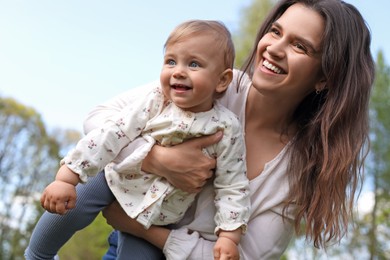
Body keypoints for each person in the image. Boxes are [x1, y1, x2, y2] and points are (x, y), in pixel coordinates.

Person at [87, 0, 375, 259]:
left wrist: (143, 229)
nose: (274, 48)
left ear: (324, 77)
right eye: (275, 32)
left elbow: (245, 257)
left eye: (299, 46)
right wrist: (156, 159)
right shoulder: (211, 86)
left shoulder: (299, 170)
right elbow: (99, 118)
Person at [25, 20, 251, 260]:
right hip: (117, 178)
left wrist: (229, 235)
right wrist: (66, 177)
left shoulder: (226, 127)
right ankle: (38, 255)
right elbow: (113, 132)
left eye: (193, 64)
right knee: (73, 204)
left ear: (222, 80)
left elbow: (232, 184)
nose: (178, 71)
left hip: (157, 213)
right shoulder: (157, 100)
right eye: (171, 61)